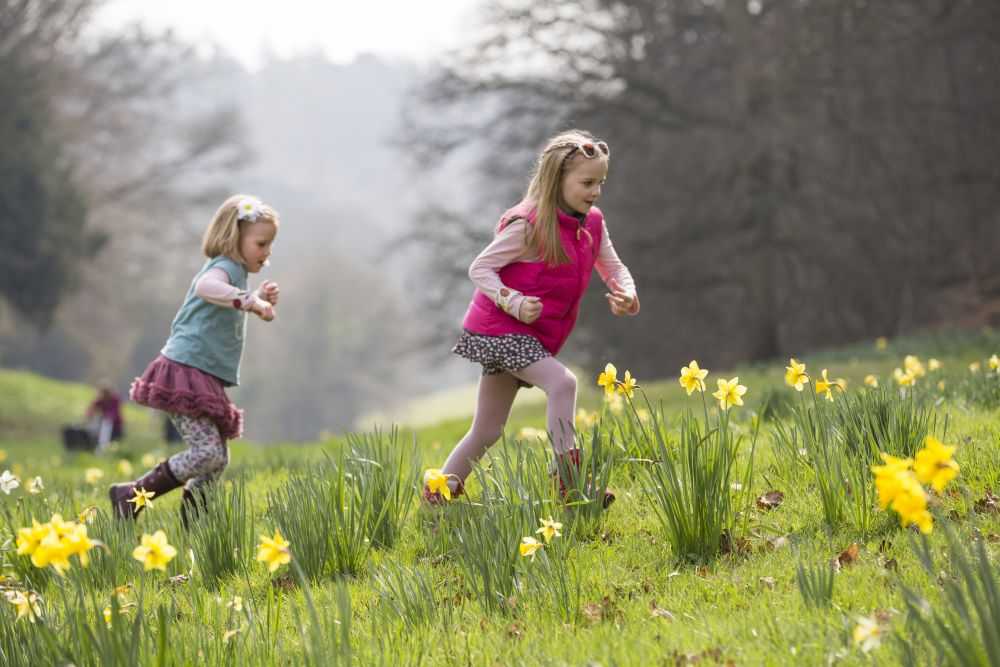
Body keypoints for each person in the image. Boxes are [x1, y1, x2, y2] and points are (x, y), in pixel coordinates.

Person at [424, 130, 639, 506]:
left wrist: (628, 292)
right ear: (558, 179)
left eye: (600, 183)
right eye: (587, 182)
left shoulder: (592, 224)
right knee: (563, 383)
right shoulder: (527, 225)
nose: (596, 191)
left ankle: (439, 493)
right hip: (499, 329)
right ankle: (570, 485)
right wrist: (514, 301)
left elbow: (613, 266)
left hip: (528, 335)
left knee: (488, 429)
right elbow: (481, 268)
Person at [111, 195, 280, 524]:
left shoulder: (236, 274)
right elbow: (206, 287)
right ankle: (129, 496)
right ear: (235, 238)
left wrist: (257, 297)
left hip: (200, 374)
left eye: (270, 244)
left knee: (217, 458)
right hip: (183, 371)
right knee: (208, 454)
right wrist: (250, 301)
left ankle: (194, 524)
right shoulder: (223, 267)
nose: (267, 252)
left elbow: (226, 296)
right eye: (261, 243)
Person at [86, 379, 124, 451]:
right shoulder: (100, 400)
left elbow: (116, 412)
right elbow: (92, 408)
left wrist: (108, 415)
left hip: (116, 426)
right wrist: (88, 416)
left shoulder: (116, 399)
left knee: (114, 443)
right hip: (104, 424)